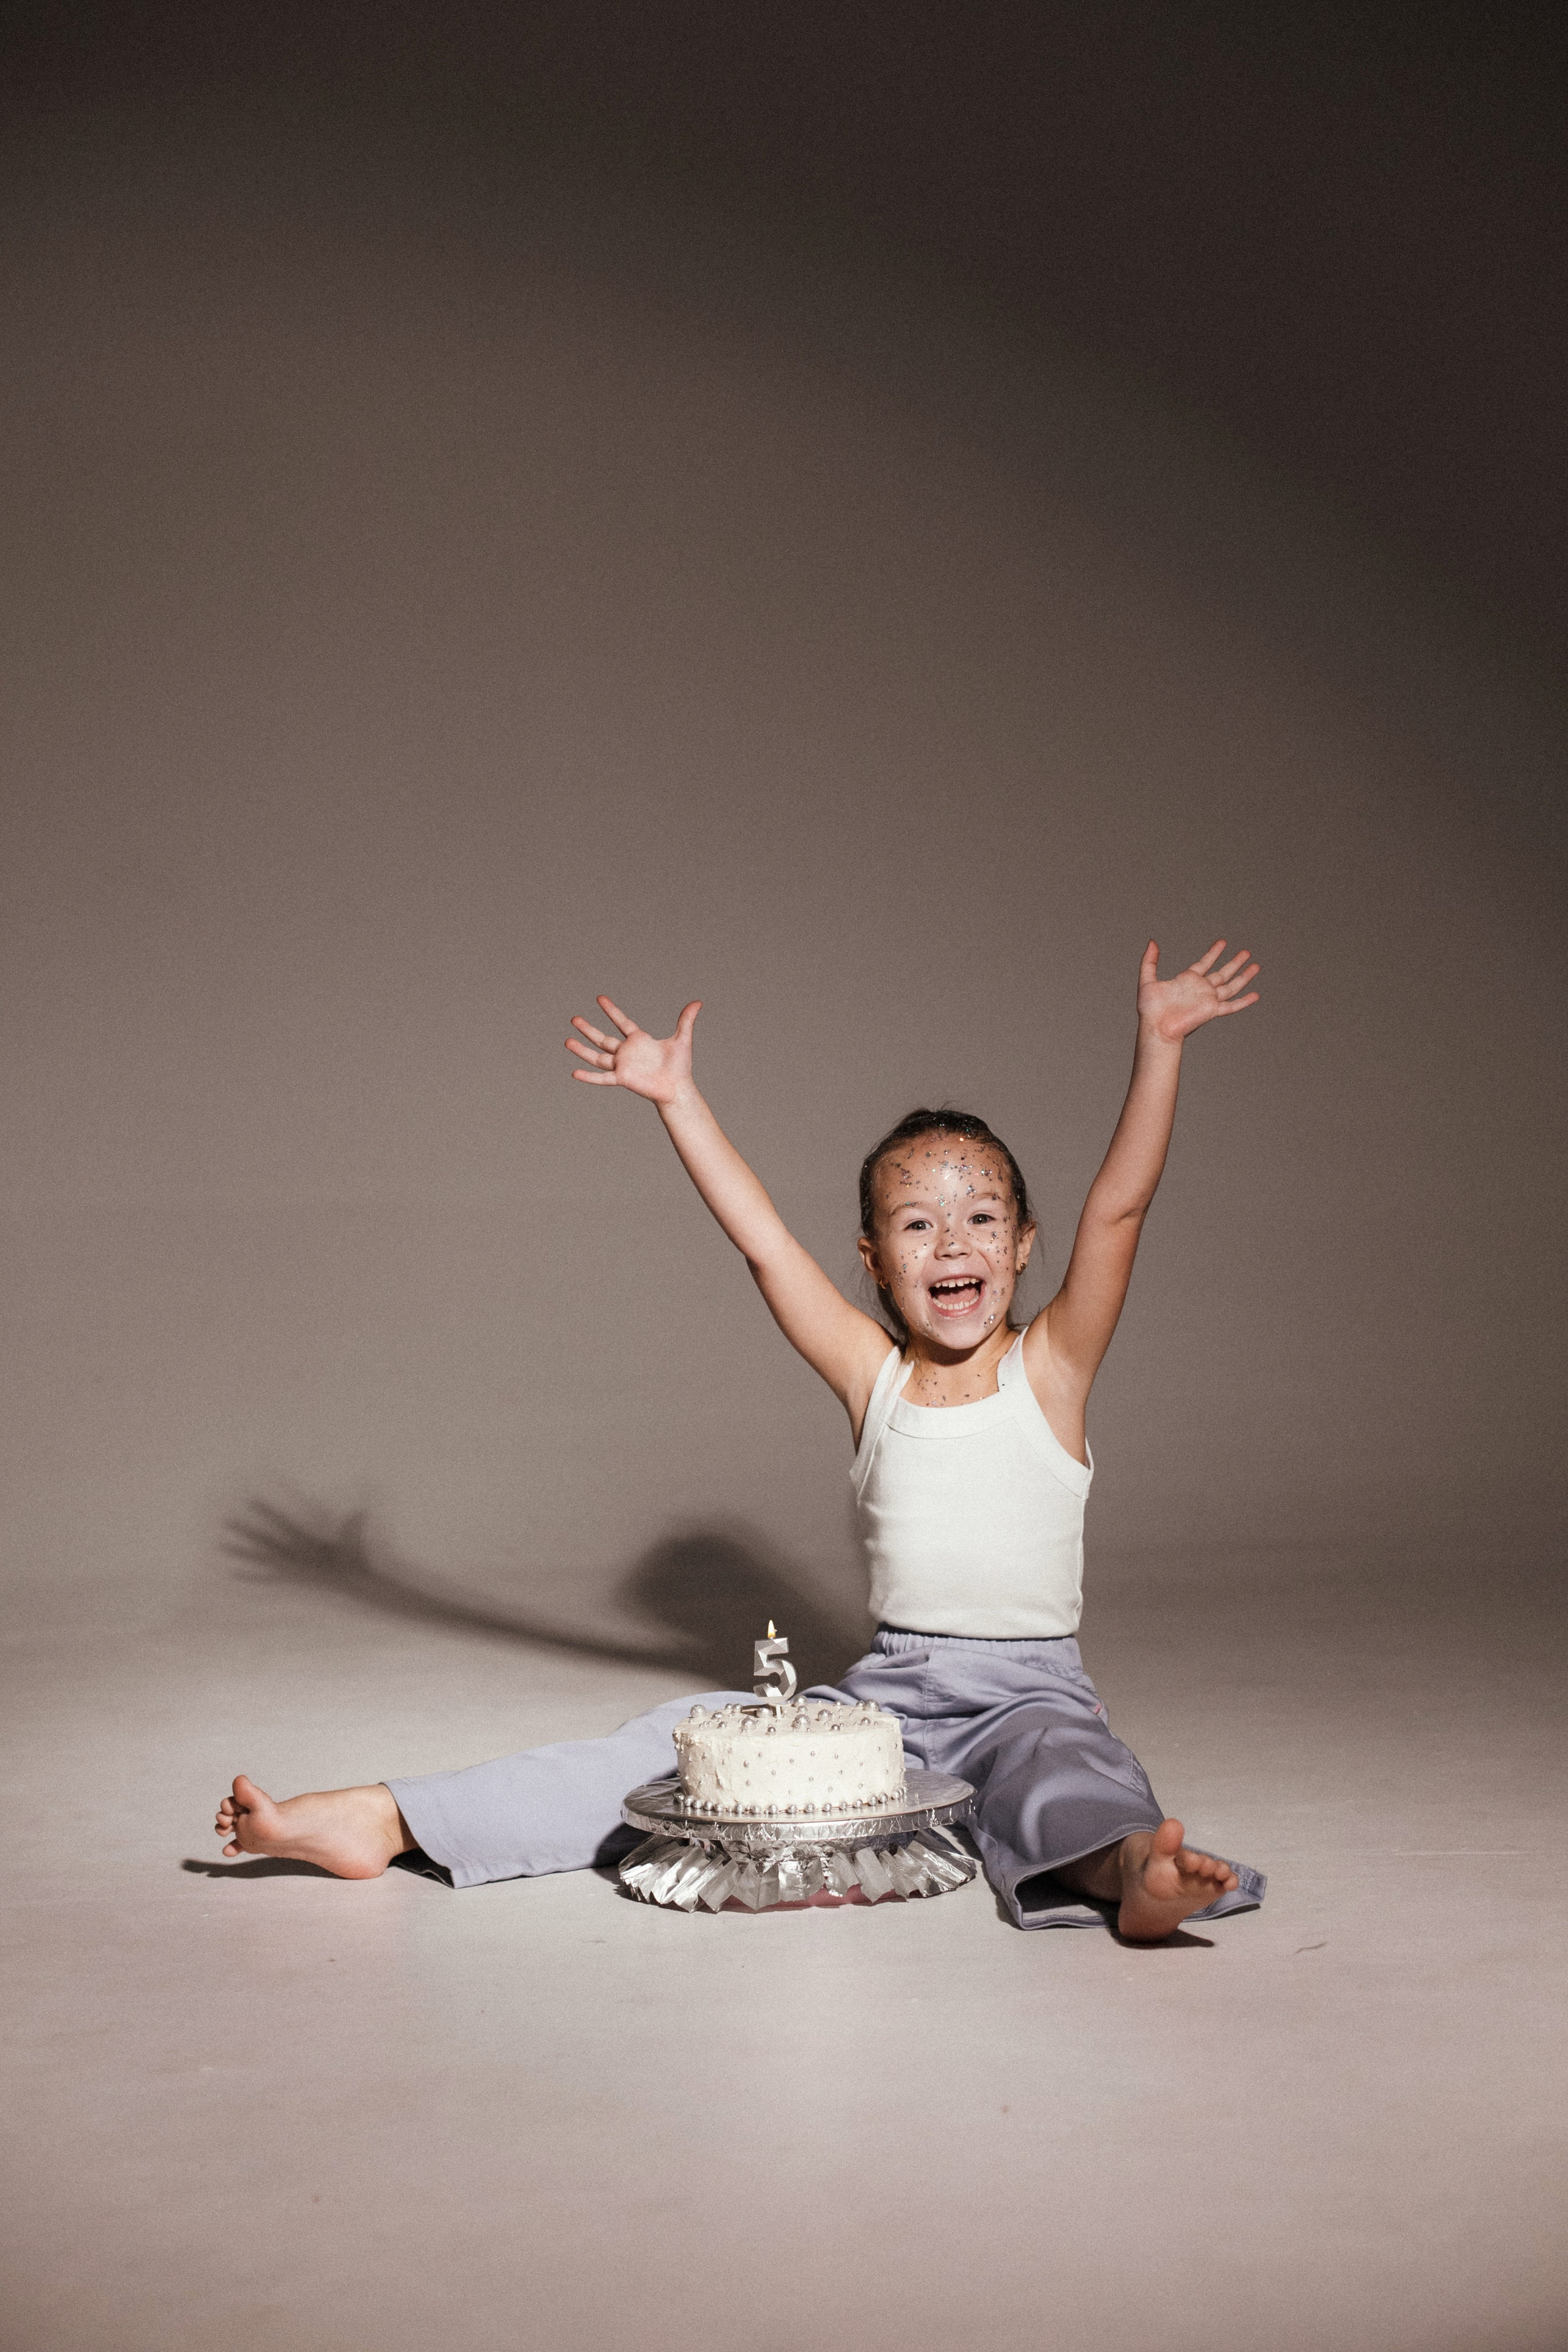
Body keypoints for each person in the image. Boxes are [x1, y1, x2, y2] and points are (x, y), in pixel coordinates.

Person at [217, 938, 1266, 1940]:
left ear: (1025, 1243)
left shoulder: (1054, 1370)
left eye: (982, 1220)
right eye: (917, 1226)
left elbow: (1120, 1212)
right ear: (873, 1260)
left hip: (1035, 1691)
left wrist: (1160, 1045)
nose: (953, 1243)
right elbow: (765, 1246)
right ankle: (390, 1819)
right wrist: (679, 1101)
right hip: (886, 1700)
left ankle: (1136, 1874)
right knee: (676, 1752)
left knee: (1068, 1781)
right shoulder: (875, 1377)